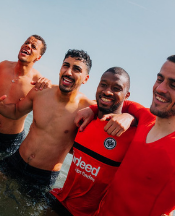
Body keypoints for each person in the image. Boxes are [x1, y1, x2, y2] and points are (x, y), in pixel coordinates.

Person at [95, 55, 175, 215]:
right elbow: (122, 104)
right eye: (160, 79)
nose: (160, 89)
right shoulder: (145, 117)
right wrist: (91, 110)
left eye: (174, 85)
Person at [0, 50, 94, 198]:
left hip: (43, 175)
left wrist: (129, 116)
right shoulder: (41, 92)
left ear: (86, 78)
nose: (68, 72)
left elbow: (116, 113)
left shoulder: (88, 109)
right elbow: (16, 112)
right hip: (17, 160)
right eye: (66, 65)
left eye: (76, 69)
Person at [49, 67, 136, 216]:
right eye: (103, 84)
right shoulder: (84, 119)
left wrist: (131, 116)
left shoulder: (132, 134)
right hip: (59, 201)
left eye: (116, 88)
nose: (107, 91)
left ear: (126, 95)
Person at [0, 35, 50, 155]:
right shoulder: (3, 66)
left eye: (33, 46)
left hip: (11, 140)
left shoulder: (37, 82)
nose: (28, 46)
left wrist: (47, 84)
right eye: (27, 42)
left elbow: (49, 109)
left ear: (38, 57)